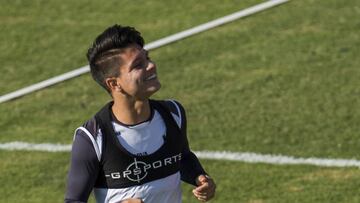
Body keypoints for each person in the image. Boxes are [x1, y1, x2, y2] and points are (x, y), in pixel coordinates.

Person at [65, 25, 216, 203]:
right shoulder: (93, 138)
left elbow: (181, 157)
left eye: (147, 58)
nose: (151, 66)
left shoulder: (174, 114)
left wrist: (199, 177)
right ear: (114, 84)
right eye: (138, 65)